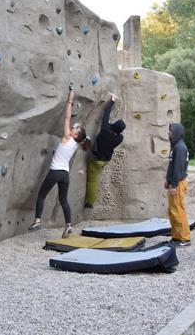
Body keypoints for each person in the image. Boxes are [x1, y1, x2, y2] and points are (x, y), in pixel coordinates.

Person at [29, 88, 90, 238]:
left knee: (41, 195)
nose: (74, 128)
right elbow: (72, 123)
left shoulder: (67, 138)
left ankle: (37, 220)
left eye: (76, 129)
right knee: (63, 200)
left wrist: (70, 99)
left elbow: (67, 118)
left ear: (75, 134)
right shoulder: (76, 144)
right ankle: (68, 225)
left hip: (55, 172)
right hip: (65, 175)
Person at [84, 93, 125, 208]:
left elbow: (106, 114)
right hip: (106, 160)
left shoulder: (105, 129)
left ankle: (89, 203)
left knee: (92, 181)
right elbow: (116, 131)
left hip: (96, 159)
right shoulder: (119, 138)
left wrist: (112, 101)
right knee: (96, 179)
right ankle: (91, 201)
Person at [165, 123, 191, 246]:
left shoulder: (180, 147)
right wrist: (168, 180)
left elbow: (178, 168)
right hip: (174, 182)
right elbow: (172, 165)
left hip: (178, 183)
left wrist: (174, 184)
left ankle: (184, 238)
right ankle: (176, 236)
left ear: (176, 132)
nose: (169, 133)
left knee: (178, 210)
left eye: (170, 131)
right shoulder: (175, 146)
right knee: (172, 210)